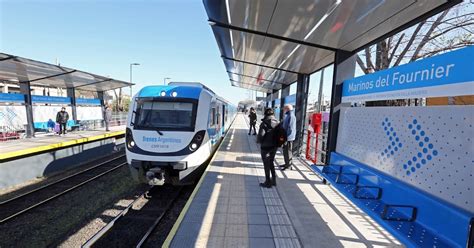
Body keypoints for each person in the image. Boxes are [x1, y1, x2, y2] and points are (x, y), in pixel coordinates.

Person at [256, 108, 279, 188]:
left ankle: (267, 182)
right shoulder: (277, 122)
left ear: (265, 114)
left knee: (266, 164)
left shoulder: (264, 123)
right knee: (271, 162)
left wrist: (258, 141)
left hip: (266, 147)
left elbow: (261, 135)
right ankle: (274, 181)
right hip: (274, 146)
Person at [281, 104, 296, 171]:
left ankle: (289, 166)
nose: (283, 110)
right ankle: (286, 163)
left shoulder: (291, 116)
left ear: (287, 109)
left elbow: (290, 128)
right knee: (285, 151)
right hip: (286, 137)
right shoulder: (288, 115)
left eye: (284, 109)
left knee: (288, 151)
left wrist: (285, 137)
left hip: (288, 138)